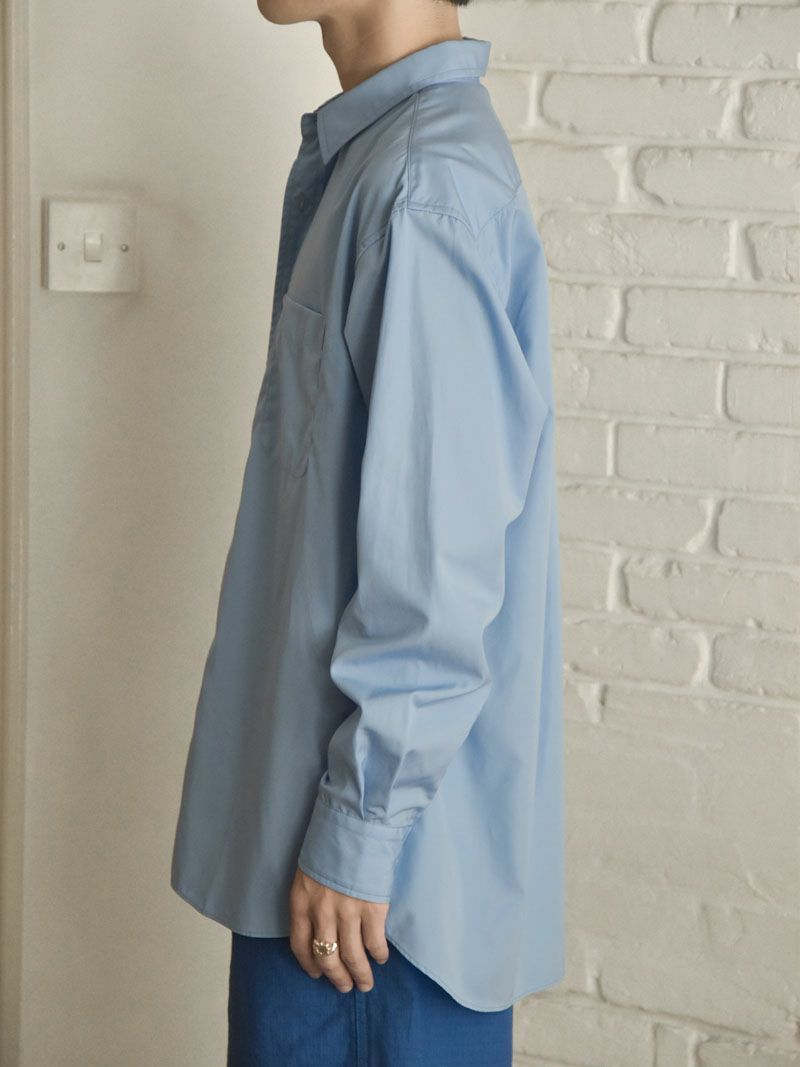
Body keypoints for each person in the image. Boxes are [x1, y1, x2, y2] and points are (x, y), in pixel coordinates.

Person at [170, 0, 564, 1062]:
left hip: (370, 902)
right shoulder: (385, 160)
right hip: (342, 859)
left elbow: (438, 564)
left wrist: (360, 827)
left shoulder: (422, 185)